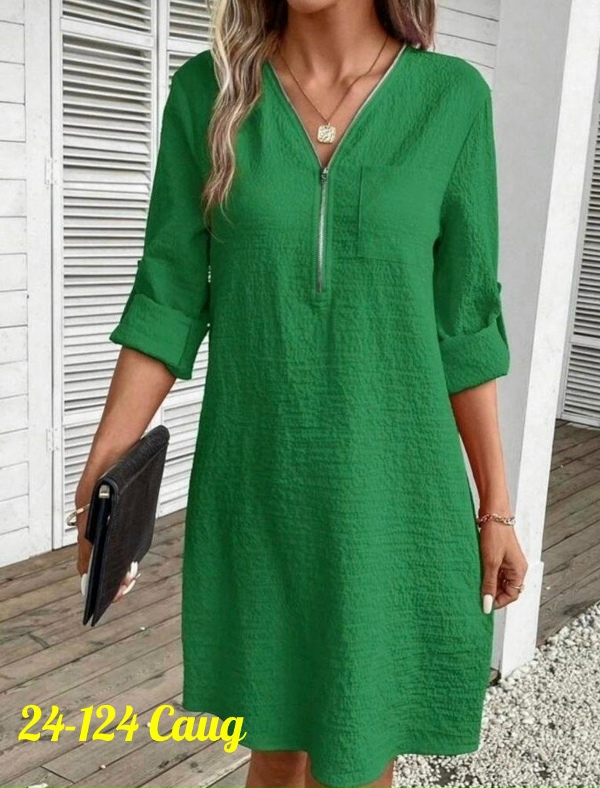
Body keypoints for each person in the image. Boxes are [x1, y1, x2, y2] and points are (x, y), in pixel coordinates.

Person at [73, 1, 529, 786]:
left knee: (361, 745)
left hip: (394, 495)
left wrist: (496, 509)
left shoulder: (451, 99)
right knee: (275, 743)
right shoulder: (209, 95)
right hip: (259, 487)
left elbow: (465, 325)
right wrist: (102, 475)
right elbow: (168, 299)